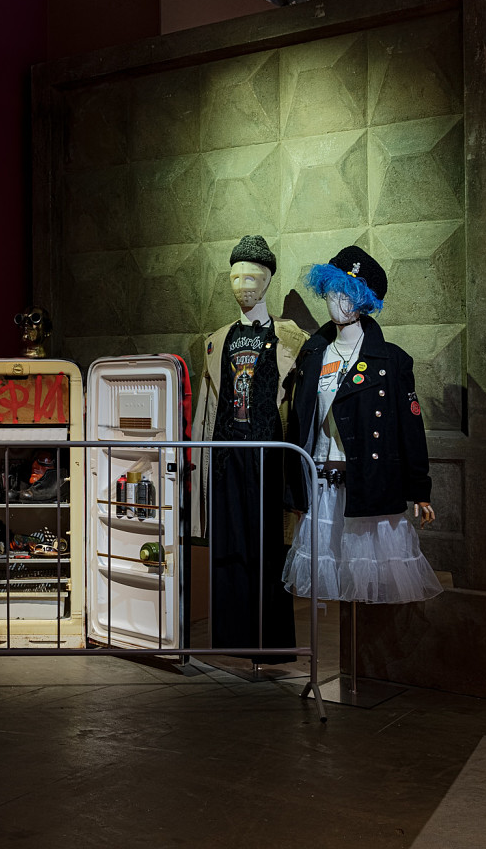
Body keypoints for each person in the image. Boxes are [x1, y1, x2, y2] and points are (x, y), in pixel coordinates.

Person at [281, 246, 440, 605]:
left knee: (369, 582)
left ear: (364, 301)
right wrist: (295, 491)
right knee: (332, 576)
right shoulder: (313, 355)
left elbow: (410, 429)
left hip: (369, 484)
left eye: (349, 294)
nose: (338, 302)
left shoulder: (392, 360)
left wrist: (421, 489)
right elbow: (299, 426)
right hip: (321, 486)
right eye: (333, 290)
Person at [189, 236, 307, 660]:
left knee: (269, 549)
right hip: (226, 458)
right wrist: (198, 462)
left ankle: (269, 647)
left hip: (269, 460)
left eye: (252, 277)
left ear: (268, 281)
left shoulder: (292, 339)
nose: (243, 285)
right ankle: (231, 642)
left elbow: (300, 407)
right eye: (236, 277)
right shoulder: (216, 340)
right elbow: (207, 408)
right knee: (229, 547)